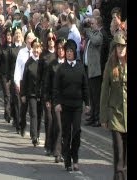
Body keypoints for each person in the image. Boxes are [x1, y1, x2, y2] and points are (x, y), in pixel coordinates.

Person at [53, 39, 90, 171]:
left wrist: (88, 103)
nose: (68, 53)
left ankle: (75, 158)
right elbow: (56, 88)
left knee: (76, 132)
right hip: (65, 105)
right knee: (66, 133)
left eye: (70, 51)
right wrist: (57, 103)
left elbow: (85, 86)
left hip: (77, 105)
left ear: (74, 53)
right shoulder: (61, 69)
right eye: (67, 51)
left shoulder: (80, 67)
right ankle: (67, 160)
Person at [100, 32, 126, 180]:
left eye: (123, 46)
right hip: (115, 115)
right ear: (115, 48)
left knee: (125, 157)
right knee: (118, 152)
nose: (121, 49)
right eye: (118, 47)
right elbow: (104, 91)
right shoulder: (110, 65)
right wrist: (103, 117)